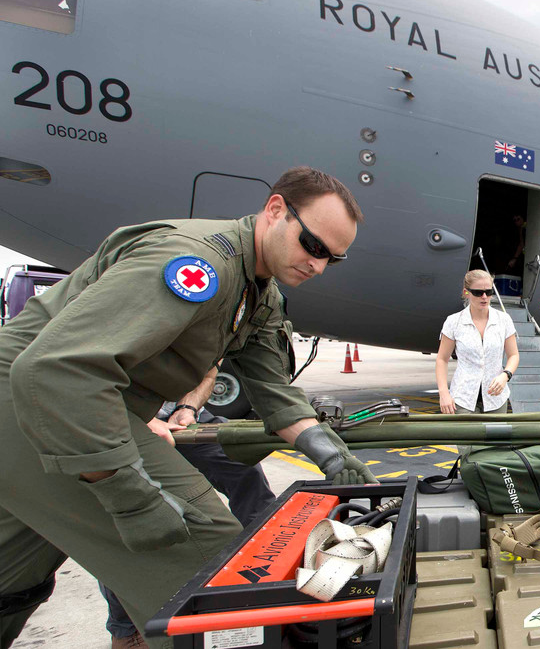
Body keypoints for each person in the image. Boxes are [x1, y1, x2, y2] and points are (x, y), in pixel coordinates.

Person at [0, 166, 376, 649]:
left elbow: (272, 389)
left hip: (64, 404)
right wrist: (131, 496)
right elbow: (56, 371)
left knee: (16, 579)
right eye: (313, 246)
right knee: (198, 543)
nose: (318, 266)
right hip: (42, 402)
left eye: (333, 259)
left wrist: (329, 452)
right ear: (275, 210)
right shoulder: (199, 263)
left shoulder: (259, 292)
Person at [103, 368, 276, 648]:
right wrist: (141, 420)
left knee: (244, 470)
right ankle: (126, 629)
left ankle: (269, 570)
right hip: (112, 415)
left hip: (176, 414)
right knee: (123, 522)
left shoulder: (202, 340)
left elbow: (208, 370)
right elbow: (81, 383)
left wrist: (187, 407)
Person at [436, 270, 519, 414]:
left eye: (489, 292)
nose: (484, 297)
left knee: (498, 430)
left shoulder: (504, 320)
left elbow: (514, 355)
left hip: (496, 399)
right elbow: (442, 359)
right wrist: (444, 394)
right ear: (466, 292)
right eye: (478, 292)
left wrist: (505, 375)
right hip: (463, 399)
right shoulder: (454, 322)